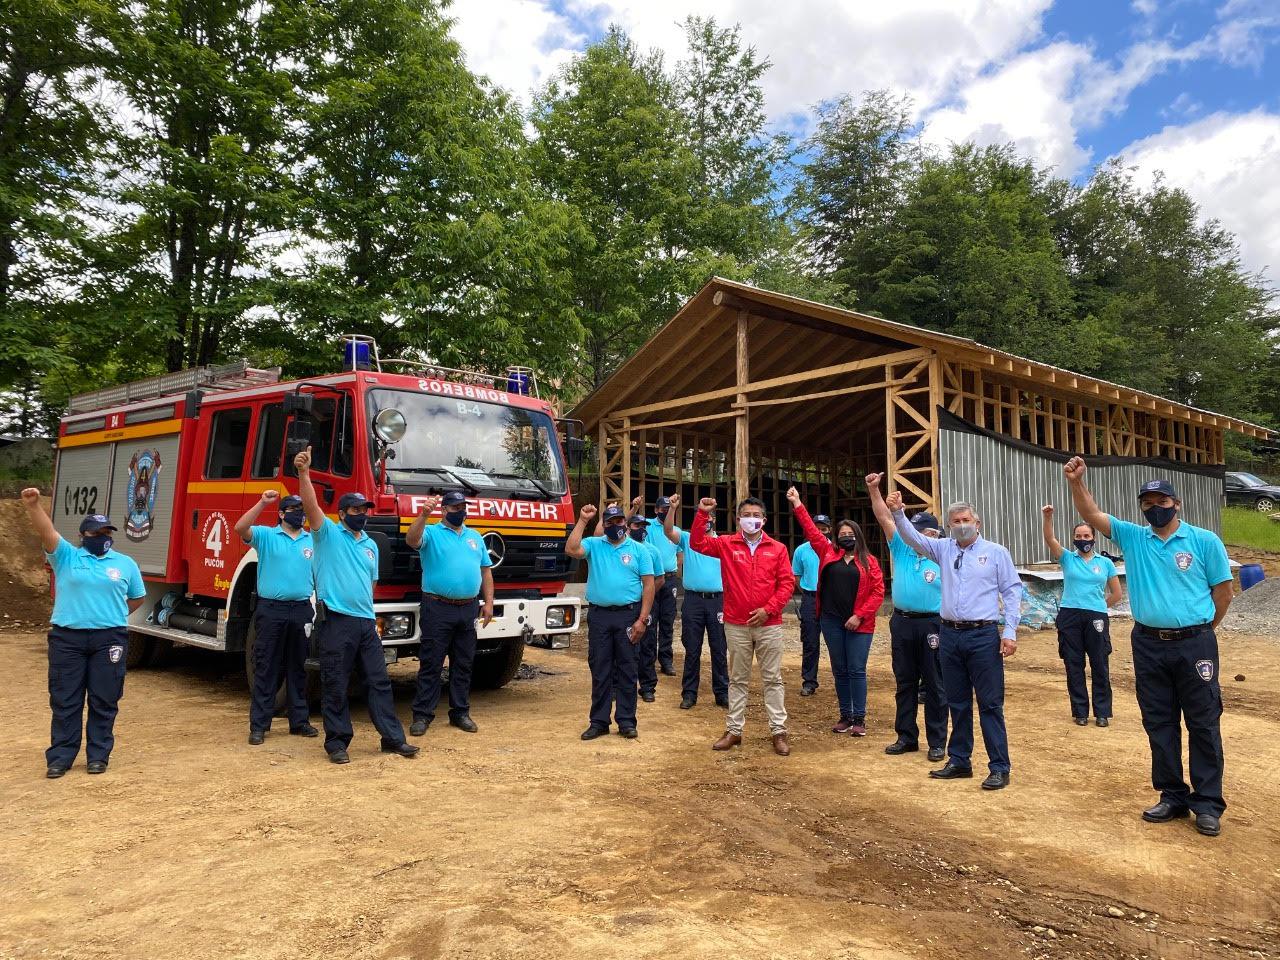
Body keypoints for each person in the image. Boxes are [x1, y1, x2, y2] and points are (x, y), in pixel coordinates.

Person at [1065, 459, 1233, 837]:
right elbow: (1090, 513)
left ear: (1177, 503)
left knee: (1203, 722)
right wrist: (1077, 482)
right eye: (1147, 502)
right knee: (1159, 721)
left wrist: (1201, 630)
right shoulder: (1133, 537)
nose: (1155, 507)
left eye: (1161, 500)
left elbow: (1223, 594)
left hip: (1195, 645)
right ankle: (1172, 795)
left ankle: (1207, 803)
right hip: (1148, 644)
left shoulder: (1204, 541)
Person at [887, 488, 1021, 790]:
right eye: (956, 521)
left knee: (989, 704)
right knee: (957, 702)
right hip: (949, 635)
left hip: (983, 635)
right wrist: (898, 513)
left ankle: (999, 766)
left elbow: (1012, 592)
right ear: (949, 526)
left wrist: (1009, 631)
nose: (961, 524)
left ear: (978, 523)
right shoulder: (944, 549)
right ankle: (960, 760)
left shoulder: (997, 553)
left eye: (966, 519)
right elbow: (913, 538)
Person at [294, 446, 418, 764]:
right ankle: (337, 743)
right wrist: (304, 474)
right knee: (335, 682)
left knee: (378, 682)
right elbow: (310, 507)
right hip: (336, 621)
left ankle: (392, 739)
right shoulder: (327, 535)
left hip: (366, 623)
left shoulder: (370, 546)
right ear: (343, 513)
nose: (362, 513)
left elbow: (370, 585)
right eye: (356, 510)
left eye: (365, 509)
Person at [23, 491, 146, 778]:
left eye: (107, 531)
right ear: (83, 535)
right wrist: (34, 506)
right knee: (66, 698)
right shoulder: (66, 556)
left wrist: (111, 614)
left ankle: (98, 756)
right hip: (68, 640)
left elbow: (137, 598)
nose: (102, 535)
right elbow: (47, 531)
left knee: (105, 698)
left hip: (109, 639)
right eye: (96, 531)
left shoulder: (125, 563)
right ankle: (61, 757)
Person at [690, 496, 796, 756]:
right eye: (746, 514)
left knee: (773, 679)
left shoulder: (778, 549)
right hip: (736, 623)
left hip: (769, 624)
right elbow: (698, 543)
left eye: (756, 514)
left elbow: (786, 584)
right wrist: (702, 514)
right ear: (738, 520)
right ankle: (734, 731)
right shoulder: (727, 544)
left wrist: (768, 609)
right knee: (737, 679)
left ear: (764, 519)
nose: (751, 518)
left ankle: (778, 732)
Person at [786, 487, 885, 736]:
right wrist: (797, 503)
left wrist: (859, 614)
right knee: (839, 669)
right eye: (842, 534)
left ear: (858, 536)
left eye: (850, 534)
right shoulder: (828, 552)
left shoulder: (869, 561)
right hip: (831, 620)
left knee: (856, 669)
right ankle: (845, 715)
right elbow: (810, 529)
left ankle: (859, 718)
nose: (846, 537)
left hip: (859, 624)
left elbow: (877, 593)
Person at [866, 473, 947, 762]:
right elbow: (884, 518)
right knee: (905, 681)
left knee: (936, 683)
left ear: (934, 535)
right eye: (910, 531)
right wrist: (874, 490)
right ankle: (906, 736)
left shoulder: (943, 554)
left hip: (933, 623)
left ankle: (938, 741)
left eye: (920, 532)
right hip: (902, 621)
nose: (912, 535)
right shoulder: (900, 547)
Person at [406, 490, 495, 737]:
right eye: (455, 508)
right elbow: (412, 541)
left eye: (463, 507)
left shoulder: (474, 537)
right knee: (431, 664)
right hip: (438, 607)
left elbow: (486, 571)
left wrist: (489, 602)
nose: (460, 511)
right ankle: (422, 715)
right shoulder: (432, 533)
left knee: (464, 664)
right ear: (444, 510)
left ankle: (460, 713)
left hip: (468, 608)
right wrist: (423, 515)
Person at [234, 491, 318, 744]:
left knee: (298, 667)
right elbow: (240, 527)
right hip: (272, 609)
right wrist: (262, 503)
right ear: (282, 513)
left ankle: (299, 721)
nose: (300, 513)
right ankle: (259, 725)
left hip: (302, 608)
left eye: (302, 509)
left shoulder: (311, 540)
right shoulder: (267, 536)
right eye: (294, 509)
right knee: (266, 666)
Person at [567, 503, 655, 739]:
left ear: (624, 523)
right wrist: (583, 520)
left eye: (619, 522)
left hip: (629, 615)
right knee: (600, 668)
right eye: (610, 522)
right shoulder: (595, 545)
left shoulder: (639, 550)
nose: (615, 526)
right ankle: (599, 722)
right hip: (600, 616)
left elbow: (649, 586)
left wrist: (642, 620)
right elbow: (571, 548)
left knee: (627, 668)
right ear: (604, 525)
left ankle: (626, 721)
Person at [1040, 504, 1121, 728]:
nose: (1082, 538)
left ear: (1094, 538)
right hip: (1070, 616)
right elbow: (1050, 539)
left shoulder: (1104, 563)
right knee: (1074, 664)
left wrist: (1098, 606)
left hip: (1095, 617)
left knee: (1099, 664)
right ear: (1074, 538)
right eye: (1078, 536)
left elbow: (1117, 593)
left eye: (1086, 535)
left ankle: (1102, 712)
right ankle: (1080, 711)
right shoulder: (1067, 558)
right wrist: (1048, 518)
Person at [661, 494, 728, 710]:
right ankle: (689, 694)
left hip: (718, 601)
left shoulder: (723, 543)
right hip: (693, 600)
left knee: (719, 648)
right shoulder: (689, 538)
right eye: (703, 516)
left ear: (714, 520)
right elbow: (668, 531)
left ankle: (722, 693)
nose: (707, 521)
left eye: (710, 517)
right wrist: (672, 509)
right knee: (692, 649)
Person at [635, 494, 679, 676]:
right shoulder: (648, 526)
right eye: (663, 509)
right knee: (650, 621)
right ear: (656, 510)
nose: (666, 511)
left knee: (668, 621)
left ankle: (666, 660)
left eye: (669, 509)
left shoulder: (675, 530)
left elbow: (680, 555)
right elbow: (631, 524)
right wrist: (635, 507)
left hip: (669, 580)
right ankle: (648, 661)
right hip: (652, 580)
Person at [626, 512, 667, 703]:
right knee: (625, 644)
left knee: (648, 644)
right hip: (626, 604)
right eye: (637, 526)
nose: (641, 530)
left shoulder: (653, 551)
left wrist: (645, 595)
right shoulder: (620, 548)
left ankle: (648, 686)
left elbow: (660, 578)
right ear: (628, 527)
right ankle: (621, 685)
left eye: (644, 526)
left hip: (647, 604)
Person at [791, 513, 830, 697]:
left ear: (829, 530)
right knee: (810, 641)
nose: (820, 532)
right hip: (810, 599)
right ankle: (809, 681)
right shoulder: (801, 550)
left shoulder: (835, 549)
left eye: (824, 528)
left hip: (831, 600)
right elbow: (796, 575)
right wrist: (808, 591)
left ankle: (842, 681)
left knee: (836, 642)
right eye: (817, 528)